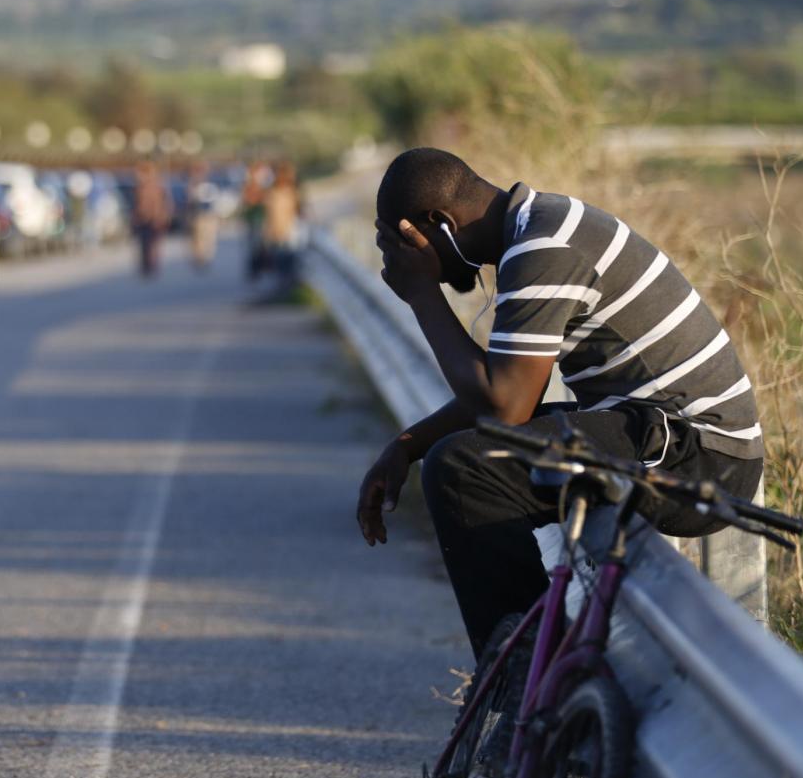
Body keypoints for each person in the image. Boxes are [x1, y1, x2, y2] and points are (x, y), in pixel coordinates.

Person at [355, 147, 763, 660]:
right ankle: (536, 671)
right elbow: (507, 393)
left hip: (701, 455)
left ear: (438, 223)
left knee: (465, 469)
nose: (419, 270)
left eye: (407, 248)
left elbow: (504, 407)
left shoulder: (544, 244)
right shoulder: (536, 229)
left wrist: (421, 296)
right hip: (655, 434)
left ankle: (521, 673)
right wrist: (407, 445)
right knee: (459, 456)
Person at [260, 160, 303, 288]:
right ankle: (285, 285)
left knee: (287, 259)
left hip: (286, 232)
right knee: (284, 259)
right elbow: (273, 215)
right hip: (282, 232)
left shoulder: (289, 192)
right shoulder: (279, 193)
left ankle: (287, 284)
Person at [131, 161, 170, 279]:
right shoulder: (139, 187)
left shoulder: (157, 185)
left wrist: (161, 217)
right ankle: (145, 267)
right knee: (143, 244)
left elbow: (164, 203)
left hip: (154, 220)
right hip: (142, 220)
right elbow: (136, 205)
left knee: (153, 245)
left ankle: (152, 266)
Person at [240, 161, 269, 280]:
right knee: (254, 246)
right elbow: (247, 201)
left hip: (260, 219)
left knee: (259, 245)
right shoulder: (250, 186)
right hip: (254, 220)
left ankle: (259, 268)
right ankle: (255, 270)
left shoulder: (263, 186)